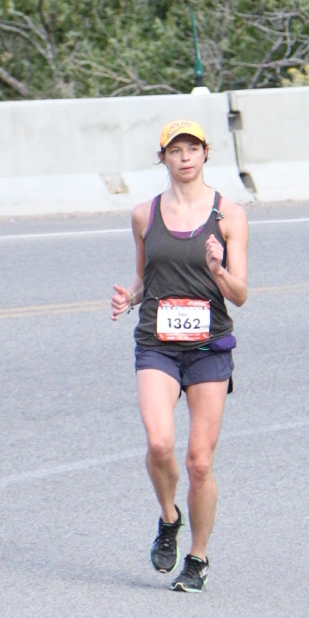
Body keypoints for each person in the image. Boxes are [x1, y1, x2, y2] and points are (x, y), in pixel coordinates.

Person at [111, 120, 248, 592]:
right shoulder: (143, 214)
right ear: (163, 157)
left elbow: (241, 293)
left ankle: (198, 557)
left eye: (192, 149)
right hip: (157, 344)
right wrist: (128, 298)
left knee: (200, 462)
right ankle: (169, 517)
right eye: (175, 150)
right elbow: (144, 278)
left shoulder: (230, 215)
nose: (185, 157)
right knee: (159, 444)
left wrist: (218, 270)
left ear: (206, 153)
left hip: (209, 348)